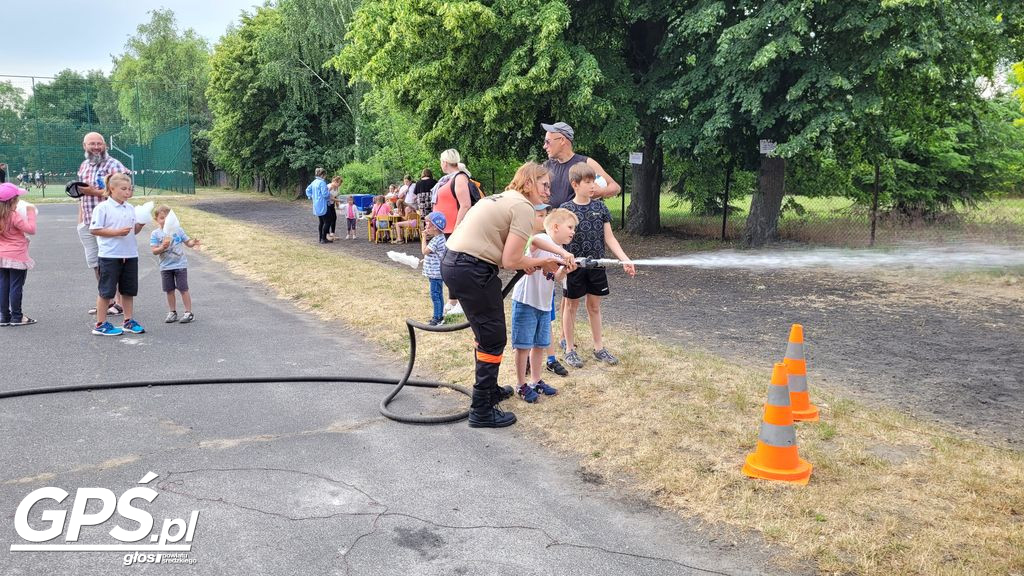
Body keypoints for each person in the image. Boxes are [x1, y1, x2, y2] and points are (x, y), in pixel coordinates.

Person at [441, 161, 576, 428]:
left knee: (486, 335)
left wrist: (532, 262)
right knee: (493, 338)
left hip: (457, 263)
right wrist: (539, 263)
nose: (549, 191)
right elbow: (511, 259)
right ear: (528, 184)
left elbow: (507, 257)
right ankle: (481, 409)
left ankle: (488, 391)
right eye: (545, 185)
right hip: (472, 268)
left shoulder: (503, 198)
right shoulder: (523, 207)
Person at [541, 121, 621, 377]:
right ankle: (567, 344)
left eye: (549, 140)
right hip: (560, 243)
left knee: (586, 303)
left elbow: (613, 187)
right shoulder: (547, 167)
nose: (545, 145)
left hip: (589, 245)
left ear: (563, 139)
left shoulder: (585, 164)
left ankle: (580, 344)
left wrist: (595, 193)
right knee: (568, 300)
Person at [559, 162, 635, 368]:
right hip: (573, 267)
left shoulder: (600, 207)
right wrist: (563, 259)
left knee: (594, 306)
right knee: (571, 306)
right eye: (588, 182)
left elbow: (609, 238)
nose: (593, 186)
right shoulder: (565, 209)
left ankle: (599, 348)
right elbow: (557, 240)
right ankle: (569, 349)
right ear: (575, 184)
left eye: (594, 181)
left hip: (597, 266)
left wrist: (624, 259)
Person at [510, 207, 578, 402]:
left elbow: (554, 277)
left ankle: (536, 381)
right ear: (555, 227)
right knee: (523, 346)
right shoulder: (544, 240)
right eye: (570, 227)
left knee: (540, 345)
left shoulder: (557, 252)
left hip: (543, 305)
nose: (573, 232)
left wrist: (566, 271)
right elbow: (534, 240)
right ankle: (521, 384)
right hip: (526, 301)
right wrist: (563, 253)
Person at [76, 131, 131, 316]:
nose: (96, 147)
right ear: (85, 146)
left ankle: (119, 303)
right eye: (92, 143)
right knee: (96, 264)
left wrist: (95, 192)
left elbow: (126, 191)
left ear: (105, 145)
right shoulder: (84, 166)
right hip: (88, 222)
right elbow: (82, 197)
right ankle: (105, 301)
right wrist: (80, 221)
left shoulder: (114, 165)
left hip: (110, 223)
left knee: (113, 262)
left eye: (99, 143)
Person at [89, 172, 147, 336]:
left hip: (129, 254)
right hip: (110, 255)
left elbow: (132, 231)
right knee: (106, 291)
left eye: (129, 189)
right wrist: (115, 232)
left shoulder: (130, 208)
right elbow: (94, 229)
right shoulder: (103, 208)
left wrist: (141, 224)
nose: (127, 192)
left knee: (128, 290)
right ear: (112, 188)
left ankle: (128, 320)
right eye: (123, 189)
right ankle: (100, 324)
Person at [150, 205, 200, 324]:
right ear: (156, 219)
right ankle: (172, 312)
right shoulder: (155, 234)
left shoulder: (178, 230)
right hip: (165, 266)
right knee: (169, 290)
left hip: (180, 265)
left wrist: (193, 242)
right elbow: (154, 251)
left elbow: (187, 242)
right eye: (162, 218)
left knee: (183, 288)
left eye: (168, 218)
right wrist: (162, 247)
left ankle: (188, 312)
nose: (165, 221)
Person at [0, 183, 37, 326]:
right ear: (12, 201)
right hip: (16, 256)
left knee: (3, 285)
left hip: (1, 256)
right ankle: (17, 316)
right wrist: (31, 213)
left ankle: (4, 316)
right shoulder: (14, 216)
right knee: (16, 286)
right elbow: (31, 229)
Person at [420, 211, 447, 326]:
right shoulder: (441, 238)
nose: (426, 226)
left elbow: (425, 251)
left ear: (435, 227)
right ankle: (439, 315)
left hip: (435, 273)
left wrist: (424, 237)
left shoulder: (436, 240)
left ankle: (437, 318)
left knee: (435, 295)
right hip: (437, 272)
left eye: (428, 224)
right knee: (438, 294)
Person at [305, 167, 332, 244]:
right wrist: (329, 192)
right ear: (323, 174)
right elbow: (325, 194)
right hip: (323, 204)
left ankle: (321, 238)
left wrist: (311, 196)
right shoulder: (322, 182)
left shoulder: (314, 182)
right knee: (328, 221)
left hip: (316, 204)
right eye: (325, 175)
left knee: (321, 222)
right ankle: (323, 238)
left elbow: (307, 190)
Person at [326, 175, 342, 241]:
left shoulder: (337, 188)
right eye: (339, 183)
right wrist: (338, 201)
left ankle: (332, 234)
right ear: (335, 181)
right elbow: (328, 197)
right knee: (328, 219)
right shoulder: (329, 186)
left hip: (332, 204)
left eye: (340, 184)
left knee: (334, 217)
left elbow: (336, 196)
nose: (339, 185)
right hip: (326, 204)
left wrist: (338, 206)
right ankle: (327, 234)